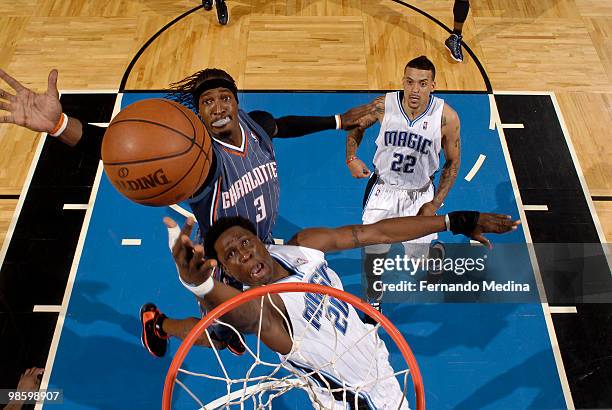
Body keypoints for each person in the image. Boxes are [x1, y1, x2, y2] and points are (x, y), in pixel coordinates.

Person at [0, 67, 366, 356]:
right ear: (200, 114)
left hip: (259, 244)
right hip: (228, 261)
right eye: (208, 102)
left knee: (276, 302)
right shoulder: (200, 161)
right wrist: (59, 125)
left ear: (237, 102)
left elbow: (285, 126)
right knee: (222, 337)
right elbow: (119, 150)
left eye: (225, 98)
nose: (219, 106)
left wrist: (336, 121)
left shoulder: (258, 126)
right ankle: (159, 324)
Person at [142, 211, 519, 408]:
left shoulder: (303, 246)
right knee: (219, 335)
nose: (243, 252)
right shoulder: (266, 306)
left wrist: (455, 221)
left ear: (259, 238)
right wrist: (199, 284)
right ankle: (161, 324)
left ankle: (159, 323)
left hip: (378, 368)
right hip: (356, 402)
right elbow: (248, 317)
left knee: (220, 336)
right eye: (231, 256)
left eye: (244, 241)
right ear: (227, 270)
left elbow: (377, 233)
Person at [344, 56, 461, 316]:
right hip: (383, 190)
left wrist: (435, 203)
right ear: (403, 82)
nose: (414, 90)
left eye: (422, 83)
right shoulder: (383, 105)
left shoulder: (447, 117)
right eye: (409, 82)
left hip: (419, 195)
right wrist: (351, 157)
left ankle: (434, 252)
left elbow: (452, 164)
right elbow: (355, 126)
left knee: (417, 255)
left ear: (433, 85)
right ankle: (373, 303)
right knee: (373, 251)